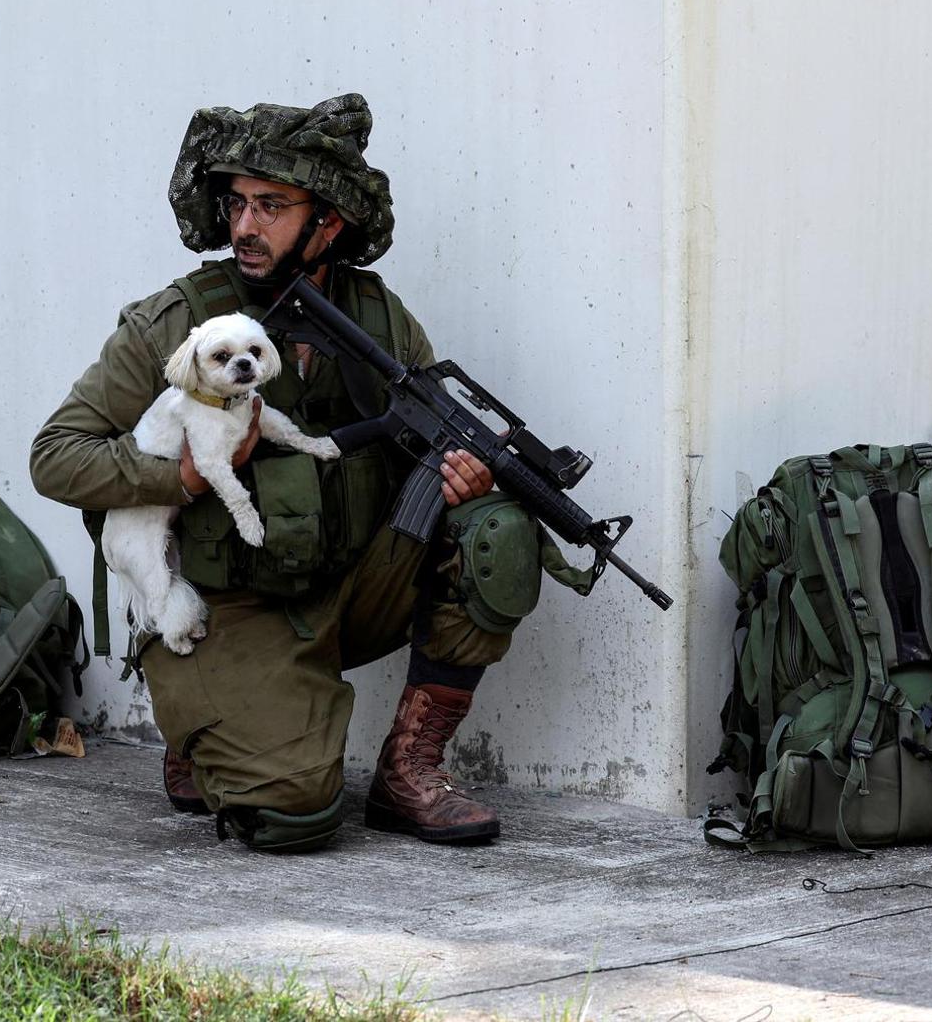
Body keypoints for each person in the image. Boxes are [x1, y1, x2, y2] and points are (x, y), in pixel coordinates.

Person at [30, 94, 546, 854]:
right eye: (236, 204)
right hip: (230, 604)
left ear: (328, 220)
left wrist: (463, 478)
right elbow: (57, 455)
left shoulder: (380, 319)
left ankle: (410, 772)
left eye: (270, 205)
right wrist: (187, 477)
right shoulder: (182, 324)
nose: (244, 226)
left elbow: (425, 439)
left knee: (493, 532)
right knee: (294, 816)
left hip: (349, 584)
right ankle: (206, 723)